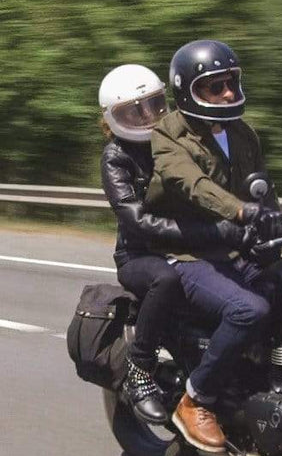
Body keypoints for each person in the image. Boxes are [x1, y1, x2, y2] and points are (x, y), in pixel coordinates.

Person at [148, 40, 282, 451]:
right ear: (188, 91)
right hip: (186, 251)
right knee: (249, 309)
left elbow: (263, 189)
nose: (228, 93)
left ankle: (262, 385)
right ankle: (195, 400)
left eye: (231, 82)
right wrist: (244, 213)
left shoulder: (243, 134)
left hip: (232, 249)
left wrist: (280, 224)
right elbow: (195, 187)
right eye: (215, 87)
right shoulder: (167, 135)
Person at [99, 64, 244, 424]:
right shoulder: (117, 157)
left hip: (188, 248)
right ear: (114, 118)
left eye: (154, 105)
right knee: (166, 278)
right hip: (140, 254)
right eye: (135, 111)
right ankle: (139, 367)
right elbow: (137, 220)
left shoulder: (178, 140)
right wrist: (208, 233)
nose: (148, 117)